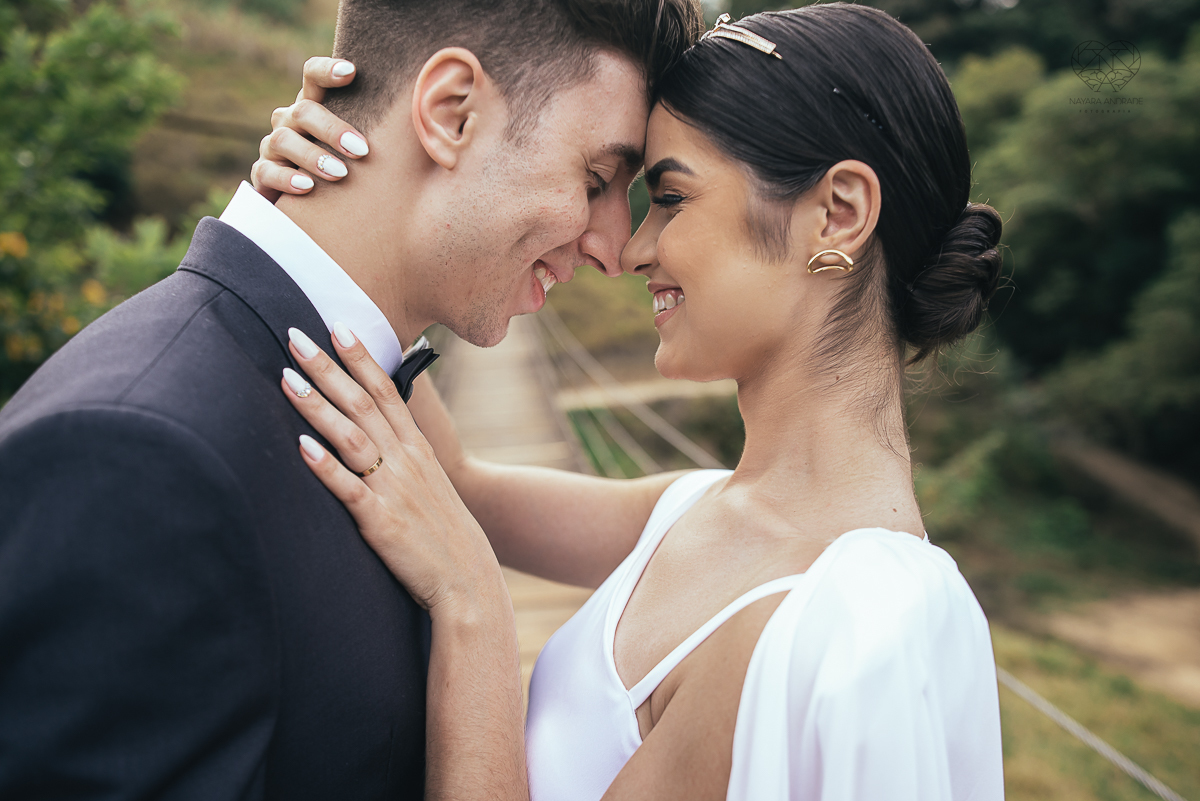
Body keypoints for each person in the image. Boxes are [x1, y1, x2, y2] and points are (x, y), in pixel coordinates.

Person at [253, 4, 1007, 800]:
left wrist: (474, 611)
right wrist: (351, 195)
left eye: (672, 198)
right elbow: (458, 487)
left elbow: (460, 536)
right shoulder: (688, 510)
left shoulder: (826, 631)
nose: (631, 250)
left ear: (839, 213)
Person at [0, 1, 703, 798]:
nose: (615, 249)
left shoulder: (341, 401)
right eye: (596, 179)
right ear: (450, 113)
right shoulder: (133, 456)